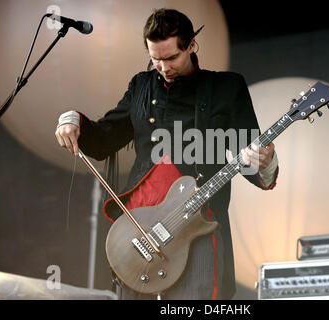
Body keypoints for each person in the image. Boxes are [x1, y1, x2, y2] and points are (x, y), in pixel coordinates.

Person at [55, 8, 279, 300]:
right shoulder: (141, 85)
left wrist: (265, 160)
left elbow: (250, 155)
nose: (163, 67)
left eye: (172, 57)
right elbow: (104, 139)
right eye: (155, 59)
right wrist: (72, 120)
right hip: (138, 229)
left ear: (191, 46)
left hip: (195, 224)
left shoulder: (226, 87)